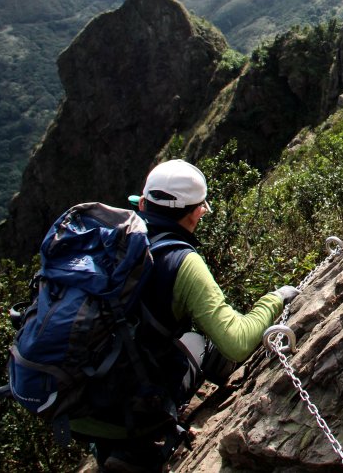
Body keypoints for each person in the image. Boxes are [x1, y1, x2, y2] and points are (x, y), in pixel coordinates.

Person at [71, 159, 299, 472]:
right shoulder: (180, 260)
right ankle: (135, 448)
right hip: (120, 411)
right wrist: (275, 299)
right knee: (199, 343)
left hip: (72, 404)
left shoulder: (108, 238)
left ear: (143, 202)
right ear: (196, 212)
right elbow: (236, 342)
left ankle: (111, 443)